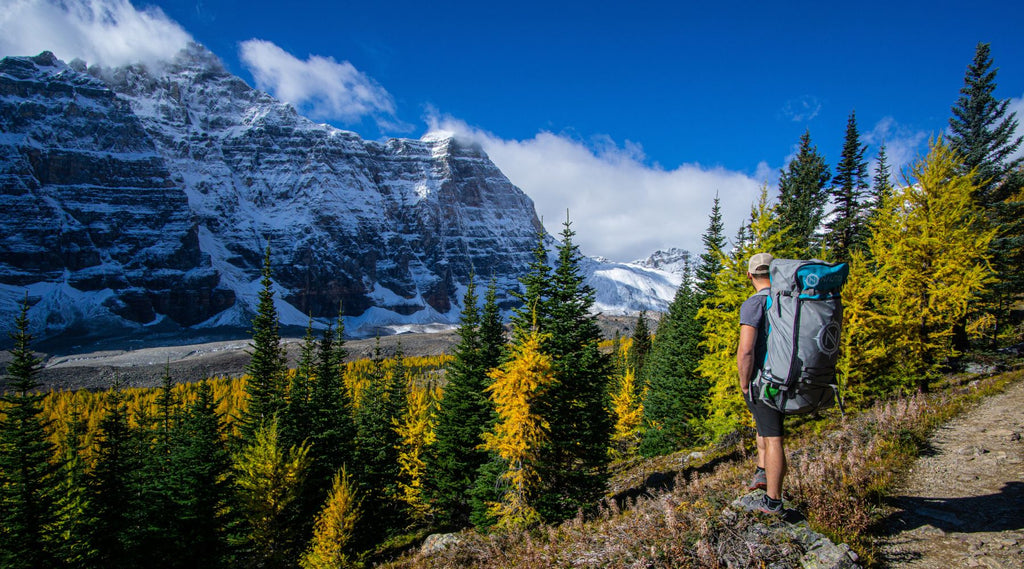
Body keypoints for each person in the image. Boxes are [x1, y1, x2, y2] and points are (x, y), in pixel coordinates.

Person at [737, 252, 785, 514]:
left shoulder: (754, 304)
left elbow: (746, 350)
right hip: (789, 376)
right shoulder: (788, 301)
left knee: (774, 437)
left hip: (766, 381)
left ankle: (773, 501)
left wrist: (745, 384)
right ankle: (762, 471)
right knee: (765, 428)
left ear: (749, 275)